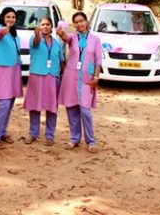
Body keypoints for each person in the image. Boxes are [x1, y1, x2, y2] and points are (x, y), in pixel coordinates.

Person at [56, 11, 102, 153]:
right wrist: (60, 33)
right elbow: (65, 38)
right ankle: (74, 139)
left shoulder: (95, 39)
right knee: (71, 108)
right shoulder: (73, 38)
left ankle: (91, 141)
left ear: (86, 22)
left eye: (81, 21)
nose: (79, 24)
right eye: (76, 22)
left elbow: (98, 61)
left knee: (85, 110)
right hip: (71, 77)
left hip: (87, 79)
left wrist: (96, 78)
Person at [23, 16, 64, 146]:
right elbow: (35, 42)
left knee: (52, 107)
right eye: (42, 24)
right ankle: (33, 133)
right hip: (37, 76)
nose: (45, 27)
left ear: (51, 27)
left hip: (53, 77)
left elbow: (61, 60)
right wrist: (36, 34)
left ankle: (49, 135)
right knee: (35, 106)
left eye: (47, 24)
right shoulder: (35, 39)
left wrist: (62, 76)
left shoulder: (57, 43)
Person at [0, 7, 23, 149]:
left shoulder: (14, 32)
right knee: (3, 103)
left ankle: (2, 132)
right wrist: (4, 30)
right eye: (8, 17)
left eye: (13, 17)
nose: (11, 20)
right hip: (2, 69)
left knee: (10, 102)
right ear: (2, 17)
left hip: (14, 69)